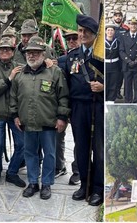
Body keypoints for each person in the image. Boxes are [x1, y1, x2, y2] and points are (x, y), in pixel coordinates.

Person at [10, 36, 70, 200]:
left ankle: (46, 184)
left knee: (49, 154)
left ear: (43, 54)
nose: (32, 56)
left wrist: (62, 117)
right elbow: (13, 97)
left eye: (36, 52)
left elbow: (63, 96)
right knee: (30, 154)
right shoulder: (20, 74)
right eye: (29, 53)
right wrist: (15, 115)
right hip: (27, 123)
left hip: (48, 122)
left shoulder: (54, 72)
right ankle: (32, 183)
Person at [66, 14, 104, 206]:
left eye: (86, 32)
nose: (82, 35)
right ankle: (84, 186)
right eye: (80, 31)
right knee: (81, 148)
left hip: (97, 106)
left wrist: (103, 87)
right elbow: (65, 86)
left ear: (94, 34)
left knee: (98, 149)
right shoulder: (71, 56)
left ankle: (97, 189)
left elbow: (115, 80)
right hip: (78, 108)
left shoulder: (101, 56)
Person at [0, 37, 26, 188]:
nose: (5, 51)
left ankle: (12, 172)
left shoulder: (21, 67)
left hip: (16, 115)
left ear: (13, 51)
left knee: (22, 144)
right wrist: (9, 78)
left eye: (8, 49)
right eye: (2, 49)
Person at [57, 30, 81, 185]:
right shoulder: (61, 59)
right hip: (63, 102)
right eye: (68, 39)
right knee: (58, 136)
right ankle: (59, 165)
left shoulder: (85, 57)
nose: (71, 41)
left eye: (74, 38)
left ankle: (77, 170)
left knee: (80, 139)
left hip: (78, 103)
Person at [119, 16, 137, 103]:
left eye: (135, 25)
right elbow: (121, 51)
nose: (133, 26)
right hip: (127, 65)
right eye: (132, 24)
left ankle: (136, 101)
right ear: (129, 25)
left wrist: (136, 61)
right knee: (127, 85)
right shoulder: (124, 36)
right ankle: (128, 101)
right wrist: (128, 61)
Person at [105, 22, 122, 102]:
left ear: (114, 32)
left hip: (115, 65)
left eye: (111, 30)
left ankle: (111, 100)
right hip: (106, 65)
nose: (110, 32)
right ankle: (105, 99)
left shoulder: (118, 42)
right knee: (106, 83)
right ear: (105, 32)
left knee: (113, 83)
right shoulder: (102, 43)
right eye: (108, 30)